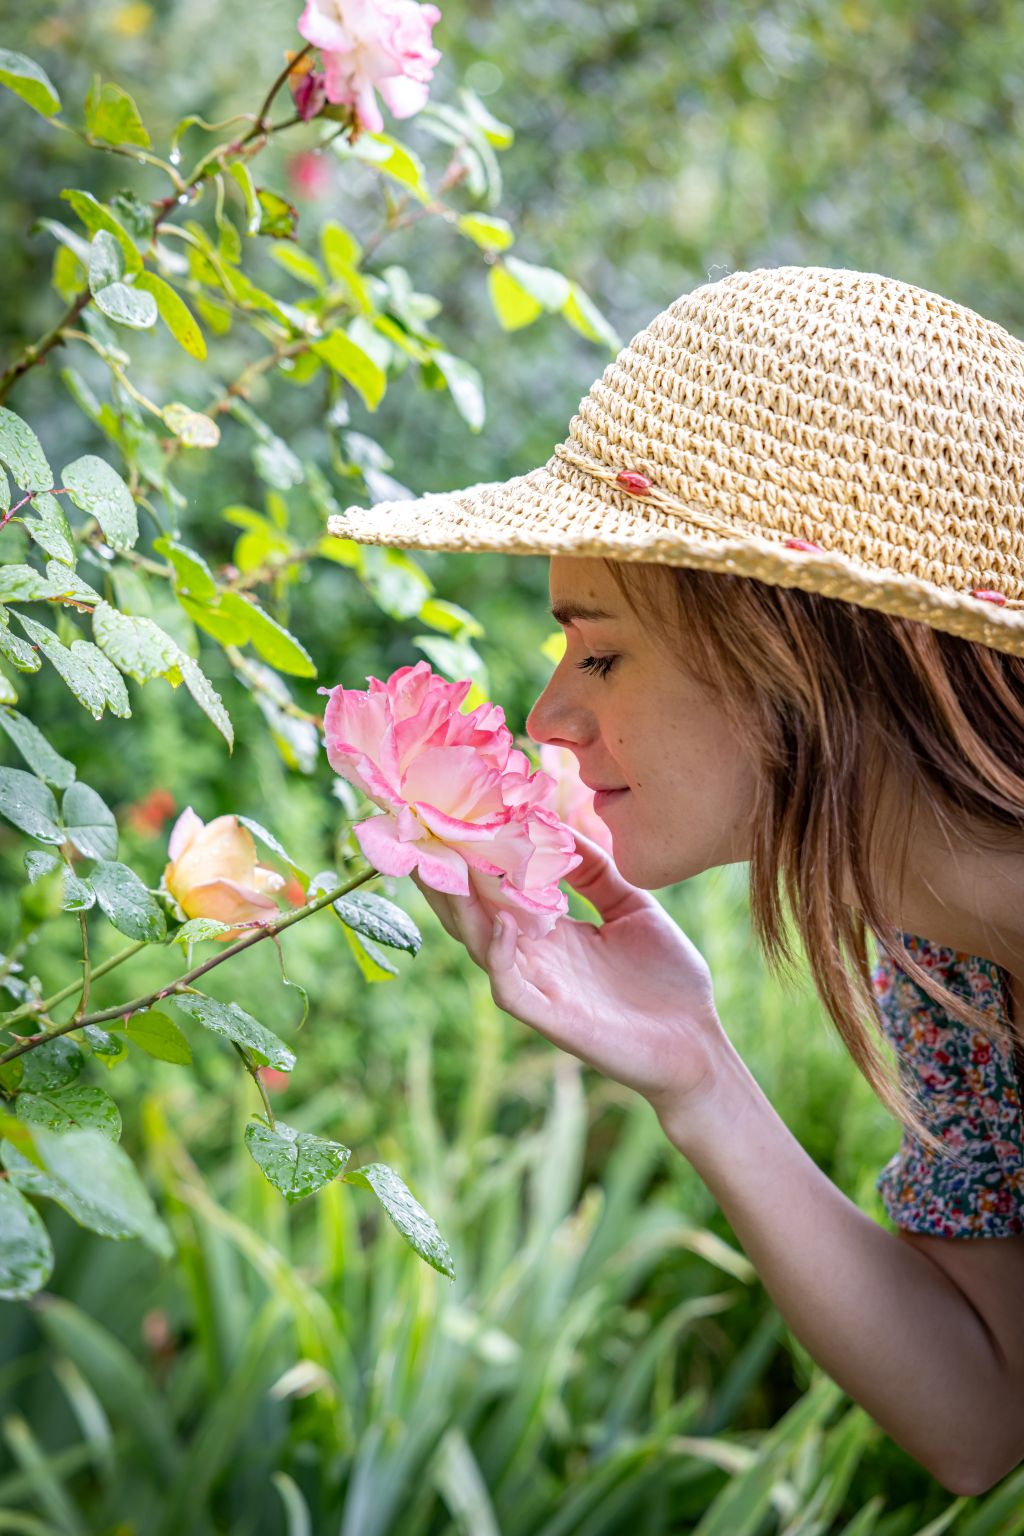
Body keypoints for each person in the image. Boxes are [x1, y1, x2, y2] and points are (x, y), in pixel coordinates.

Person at [328, 266, 1024, 1496]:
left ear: (799, 646)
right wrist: (693, 1069)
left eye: (600, 651)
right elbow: (985, 1416)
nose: (551, 716)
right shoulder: (943, 965)